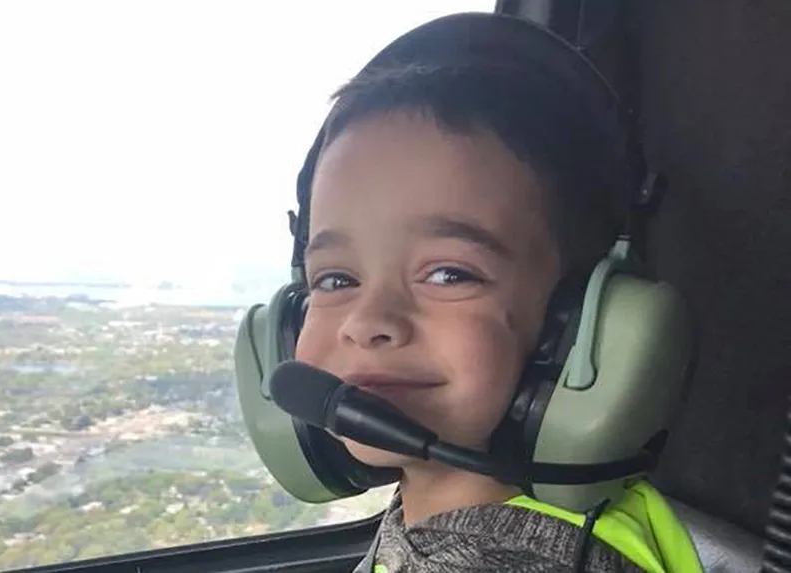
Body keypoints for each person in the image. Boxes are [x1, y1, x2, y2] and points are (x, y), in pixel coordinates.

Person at [289, 12, 702, 573]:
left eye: (448, 275)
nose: (368, 320)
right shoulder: (462, 520)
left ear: (577, 326)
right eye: (336, 280)